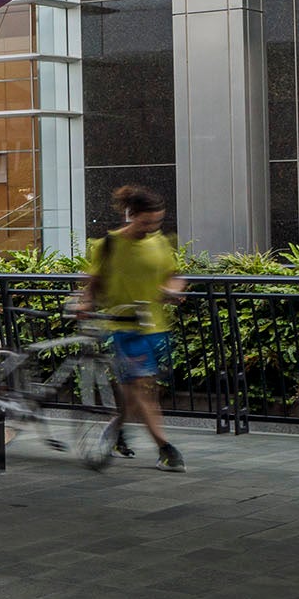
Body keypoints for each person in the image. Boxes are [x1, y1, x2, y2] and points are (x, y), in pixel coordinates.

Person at [80, 182, 187, 472]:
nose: (152, 227)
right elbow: (94, 282)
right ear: (132, 214)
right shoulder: (109, 245)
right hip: (125, 329)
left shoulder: (160, 242)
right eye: (147, 221)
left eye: (158, 221)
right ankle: (166, 449)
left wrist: (173, 290)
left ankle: (115, 431)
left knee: (135, 391)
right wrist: (85, 303)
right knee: (142, 390)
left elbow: (174, 275)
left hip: (157, 328)